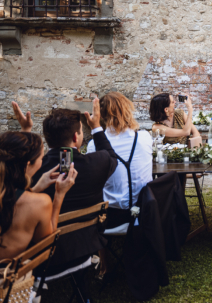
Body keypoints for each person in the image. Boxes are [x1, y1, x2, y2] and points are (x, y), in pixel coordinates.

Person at [0, 128, 77, 260]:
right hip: (7, 276)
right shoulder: (40, 202)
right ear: (28, 164)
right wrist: (59, 195)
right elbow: (48, 247)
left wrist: (35, 188)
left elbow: (13, 200)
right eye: (42, 157)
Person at [31, 98, 118, 213]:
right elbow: (112, 157)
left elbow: (65, 162)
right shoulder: (97, 162)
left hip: (47, 229)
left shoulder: (33, 168)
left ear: (47, 138)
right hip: (89, 229)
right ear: (75, 137)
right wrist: (96, 127)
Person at [86, 92, 153, 229]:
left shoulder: (94, 145)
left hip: (111, 218)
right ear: (128, 110)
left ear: (102, 116)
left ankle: (103, 249)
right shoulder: (145, 137)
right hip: (146, 214)